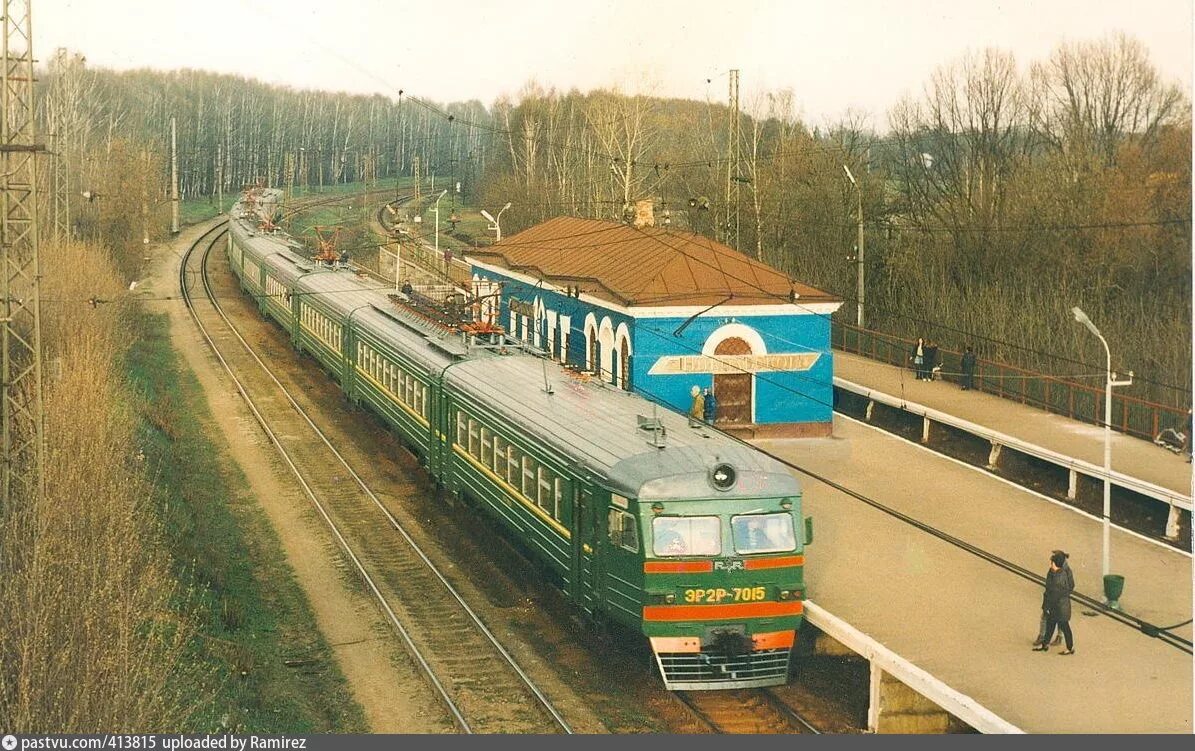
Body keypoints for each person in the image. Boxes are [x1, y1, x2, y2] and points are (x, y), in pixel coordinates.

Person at [1034, 551, 1075, 654]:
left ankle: (1069, 648)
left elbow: (1052, 595)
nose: (1050, 564)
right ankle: (1045, 644)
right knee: (1051, 625)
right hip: (1059, 607)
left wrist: (1047, 607)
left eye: (1052, 562)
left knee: (1064, 627)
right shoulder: (1055, 573)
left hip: (1059, 608)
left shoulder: (1058, 578)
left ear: (1056, 564)